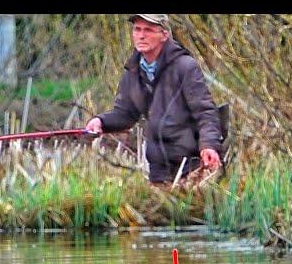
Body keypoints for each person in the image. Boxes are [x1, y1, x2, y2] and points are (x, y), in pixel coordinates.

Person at [85, 14, 222, 184]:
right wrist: (101, 122)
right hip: (158, 168)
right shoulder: (132, 72)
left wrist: (209, 145)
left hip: (191, 165)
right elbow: (125, 114)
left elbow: (205, 112)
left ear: (164, 35)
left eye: (148, 30)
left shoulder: (185, 67)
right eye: (137, 29)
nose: (141, 35)